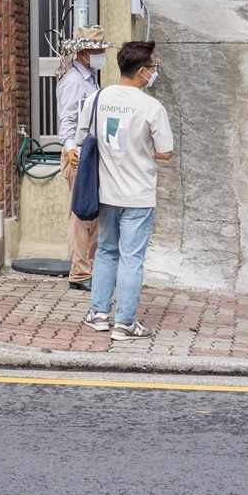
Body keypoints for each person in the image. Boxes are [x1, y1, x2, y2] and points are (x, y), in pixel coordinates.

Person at [82, 40, 174, 340]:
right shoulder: (151, 107)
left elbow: (85, 136)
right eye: (154, 67)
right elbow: (166, 152)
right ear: (143, 71)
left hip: (106, 193)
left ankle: (98, 315)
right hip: (138, 195)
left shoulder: (98, 98)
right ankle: (124, 323)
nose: (155, 73)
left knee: (107, 251)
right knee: (131, 258)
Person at [55, 26, 116, 292]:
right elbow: (66, 121)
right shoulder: (73, 81)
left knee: (92, 214)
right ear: (82, 52)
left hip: (89, 153)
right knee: (81, 214)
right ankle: (79, 273)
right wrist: (71, 150)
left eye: (102, 49)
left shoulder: (89, 77)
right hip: (78, 154)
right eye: (96, 49)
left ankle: (88, 268)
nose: (101, 53)